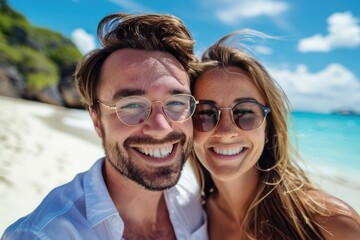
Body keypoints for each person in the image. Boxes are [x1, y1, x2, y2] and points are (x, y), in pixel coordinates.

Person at [2, 13, 208, 240]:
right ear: (97, 121)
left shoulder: (196, 199)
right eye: (131, 105)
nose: (160, 127)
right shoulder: (45, 235)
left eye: (176, 102)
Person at [190, 31, 360, 239]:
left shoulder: (331, 223)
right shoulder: (192, 218)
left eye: (244, 112)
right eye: (206, 113)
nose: (226, 132)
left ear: (268, 129)